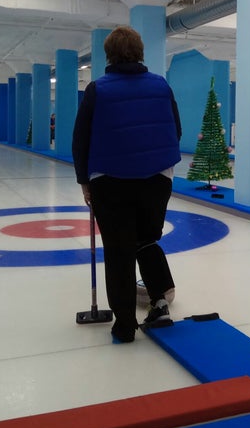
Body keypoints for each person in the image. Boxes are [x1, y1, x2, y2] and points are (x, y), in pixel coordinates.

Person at [72, 26, 182, 343]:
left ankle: (124, 325)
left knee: (119, 251)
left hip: (110, 180)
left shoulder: (97, 90)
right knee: (147, 240)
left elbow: (81, 140)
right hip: (157, 180)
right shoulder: (161, 86)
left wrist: (84, 181)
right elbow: (175, 129)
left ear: (108, 54)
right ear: (141, 52)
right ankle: (160, 304)